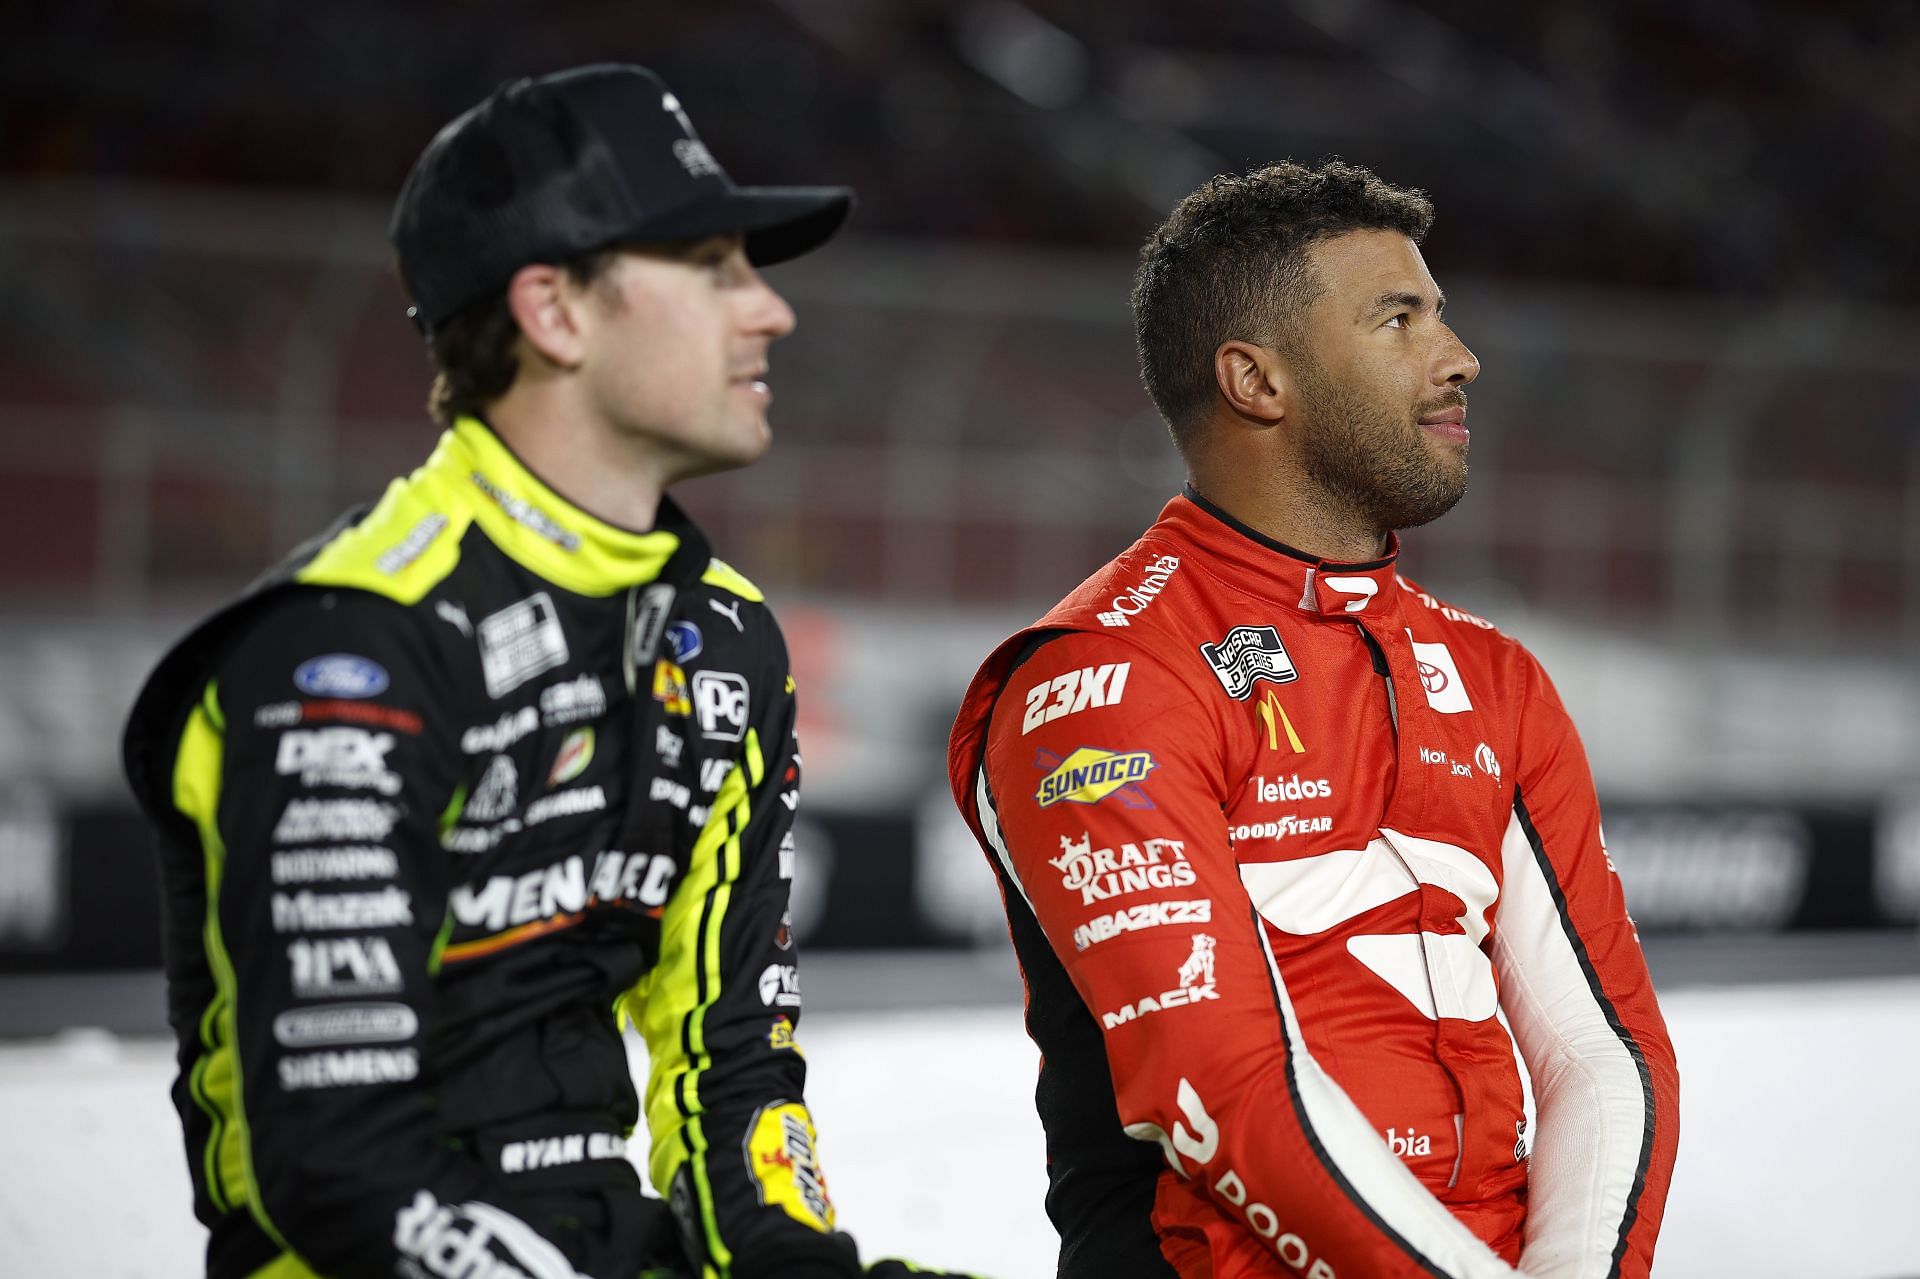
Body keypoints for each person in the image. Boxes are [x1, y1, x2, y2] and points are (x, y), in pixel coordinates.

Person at [123, 63, 963, 1279]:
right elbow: (344, 1171)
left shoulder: (722, 638)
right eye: (713, 266)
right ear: (555, 312)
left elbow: (733, 1061)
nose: (769, 310)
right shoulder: (345, 647)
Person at [946, 160, 1680, 1279]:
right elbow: (1227, 1091)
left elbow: (1601, 1046)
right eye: (1400, 318)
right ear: (1257, 381)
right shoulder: (1102, 680)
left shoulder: (1496, 676)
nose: (1460, 357)